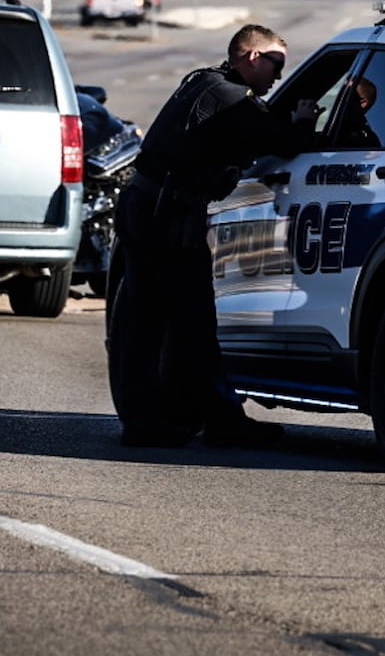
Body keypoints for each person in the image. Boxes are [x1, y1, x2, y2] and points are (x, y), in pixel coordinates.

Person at [108, 24, 319, 448]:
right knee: (160, 321)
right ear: (253, 57)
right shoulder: (227, 98)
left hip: (157, 209)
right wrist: (301, 124)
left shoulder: (209, 84)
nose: (279, 75)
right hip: (163, 215)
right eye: (275, 64)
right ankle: (157, 423)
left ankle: (199, 417)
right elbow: (276, 138)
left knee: (176, 321)